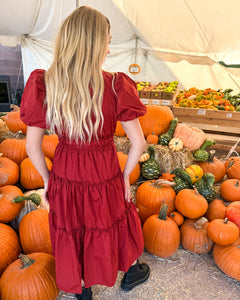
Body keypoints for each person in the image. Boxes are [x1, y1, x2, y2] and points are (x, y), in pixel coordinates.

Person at [20, 6, 150, 300]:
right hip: (104, 169)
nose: (108, 48)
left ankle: (83, 290)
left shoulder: (46, 83)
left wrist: (47, 179)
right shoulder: (116, 85)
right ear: (95, 45)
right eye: (107, 40)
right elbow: (139, 143)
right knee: (113, 220)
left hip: (66, 169)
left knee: (73, 227)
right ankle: (131, 273)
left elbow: (31, 146)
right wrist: (126, 177)